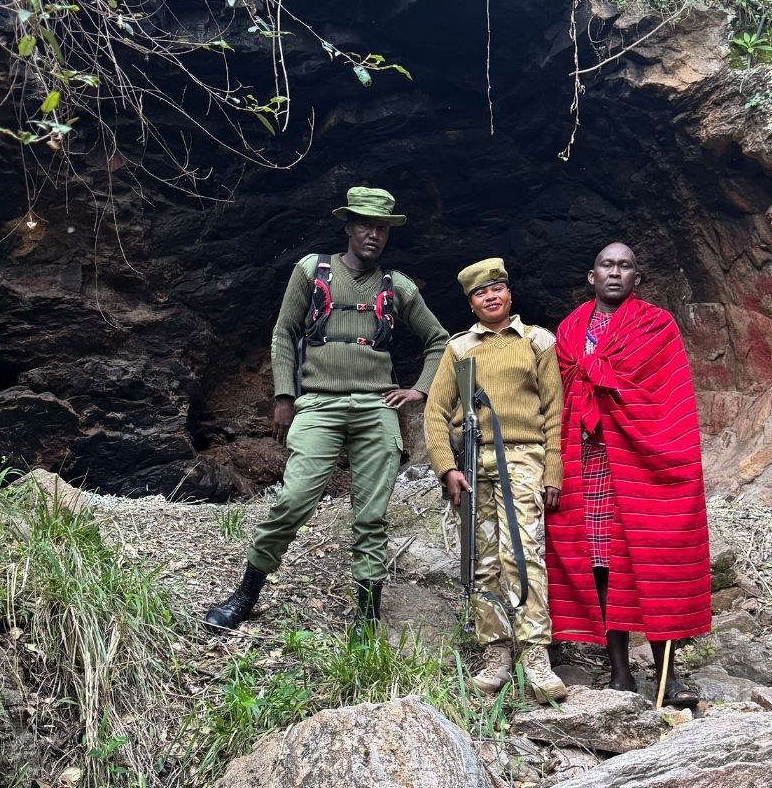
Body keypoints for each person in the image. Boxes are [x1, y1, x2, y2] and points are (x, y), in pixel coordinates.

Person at [204, 187, 449, 633]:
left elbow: (439, 341)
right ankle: (246, 593)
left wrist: (421, 390)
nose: (372, 234)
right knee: (295, 499)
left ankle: (367, 613)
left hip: (376, 407)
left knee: (371, 514)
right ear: (348, 227)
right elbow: (283, 333)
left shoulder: (399, 286)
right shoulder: (312, 270)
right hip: (318, 402)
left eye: (380, 227)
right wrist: (284, 397)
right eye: (364, 225)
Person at [546, 242, 710, 707]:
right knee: (600, 563)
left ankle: (667, 676)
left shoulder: (657, 325)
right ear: (591, 276)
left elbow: (668, 399)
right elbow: (556, 397)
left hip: (642, 461)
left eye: (625, 266)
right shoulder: (570, 330)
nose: (615, 272)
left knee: (653, 560)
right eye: (606, 265)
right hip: (587, 460)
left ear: (637, 278)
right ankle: (619, 672)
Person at [425, 258, 568, 703]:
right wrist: (446, 467)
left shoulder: (537, 341)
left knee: (522, 553)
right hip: (471, 463)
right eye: (481, 293)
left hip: (522, 458)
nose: (492, 297)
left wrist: (554, 469)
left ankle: (536, 656)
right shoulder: (459, 349)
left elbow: (554, 412)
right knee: (482, 559)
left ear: (510, 294)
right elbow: (434, 412)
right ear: (471, 304)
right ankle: (496, 653)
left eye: (499, 289)